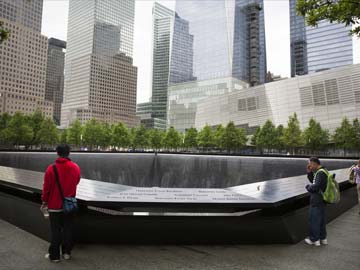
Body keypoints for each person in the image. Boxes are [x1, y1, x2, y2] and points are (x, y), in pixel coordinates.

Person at [41, 144, 81, 262]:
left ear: (57, 153)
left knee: (56, 231)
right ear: (69, 153)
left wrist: (44, 201)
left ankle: (55, 256)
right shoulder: (75, 167)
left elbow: (46, 188)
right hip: (69, 205)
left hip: (54, 205)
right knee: (68, 230)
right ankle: (67, 253)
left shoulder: (51, 168)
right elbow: (77, 181)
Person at [304, 157, 328, 246]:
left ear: (314, 163)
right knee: (321, 220)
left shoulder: (320, 173)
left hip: (317, 200)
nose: (309, 166)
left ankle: (314, 239)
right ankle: (323, 238)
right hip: (322, 199)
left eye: (310, 164)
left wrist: (308, 187)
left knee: (314, 220)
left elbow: (316, 186)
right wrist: (309, 171)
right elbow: (313, 180)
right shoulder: (323, 171)